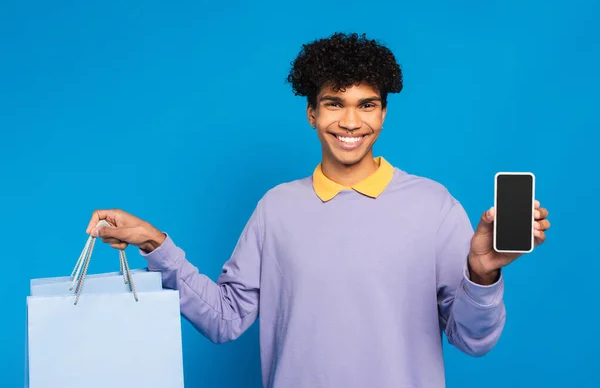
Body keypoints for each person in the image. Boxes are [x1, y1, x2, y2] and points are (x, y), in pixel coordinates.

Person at [87, 32, 551, 388]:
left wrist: (482, 274)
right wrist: (154, 241)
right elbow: (225, 320)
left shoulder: (434, 206)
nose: (351, 122)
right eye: (334, 104)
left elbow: (474, 340)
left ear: (384, 113)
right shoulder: (276, 209)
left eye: (366, 105)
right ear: (311, 113)